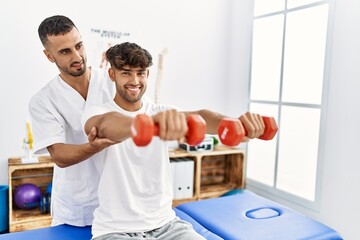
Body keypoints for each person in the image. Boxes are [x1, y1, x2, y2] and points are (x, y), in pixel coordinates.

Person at [82, 42, 266, 239]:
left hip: (167, 225)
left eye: (141, 73)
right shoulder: (98, 111)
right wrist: (149, 124)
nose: (135, 80)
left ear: (147, 75)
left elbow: (203, 116)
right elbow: (107, 125)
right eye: (126, 73)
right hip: (115, 230)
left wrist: (236, 124)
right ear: (112, 74)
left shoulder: (161, 112)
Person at [28, 15, 116, 227]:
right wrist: (95, 146)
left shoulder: (113, 80)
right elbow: (59, 155)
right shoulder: (43, 100)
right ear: (49, 56)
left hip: (118, 201)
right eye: (65, 51)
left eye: (79, 46)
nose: (77, 56)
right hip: (77, 208)